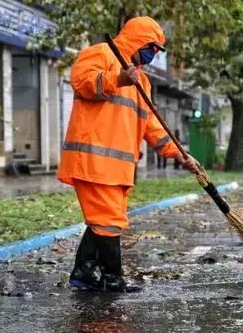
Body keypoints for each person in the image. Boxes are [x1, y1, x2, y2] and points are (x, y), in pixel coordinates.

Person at [57, 16, 198, 293]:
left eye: (157, 51)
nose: (153, 54)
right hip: (93, 161)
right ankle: (112, 279)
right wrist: (117, 78)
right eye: (152, 47)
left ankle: (84, 272)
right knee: (109, 221)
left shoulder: (142, 82)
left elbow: (151, 125)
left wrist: (180, 154)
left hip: (117, 168)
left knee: (105, 220)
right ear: (138, 40)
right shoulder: (101, 53)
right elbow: (82, 81)